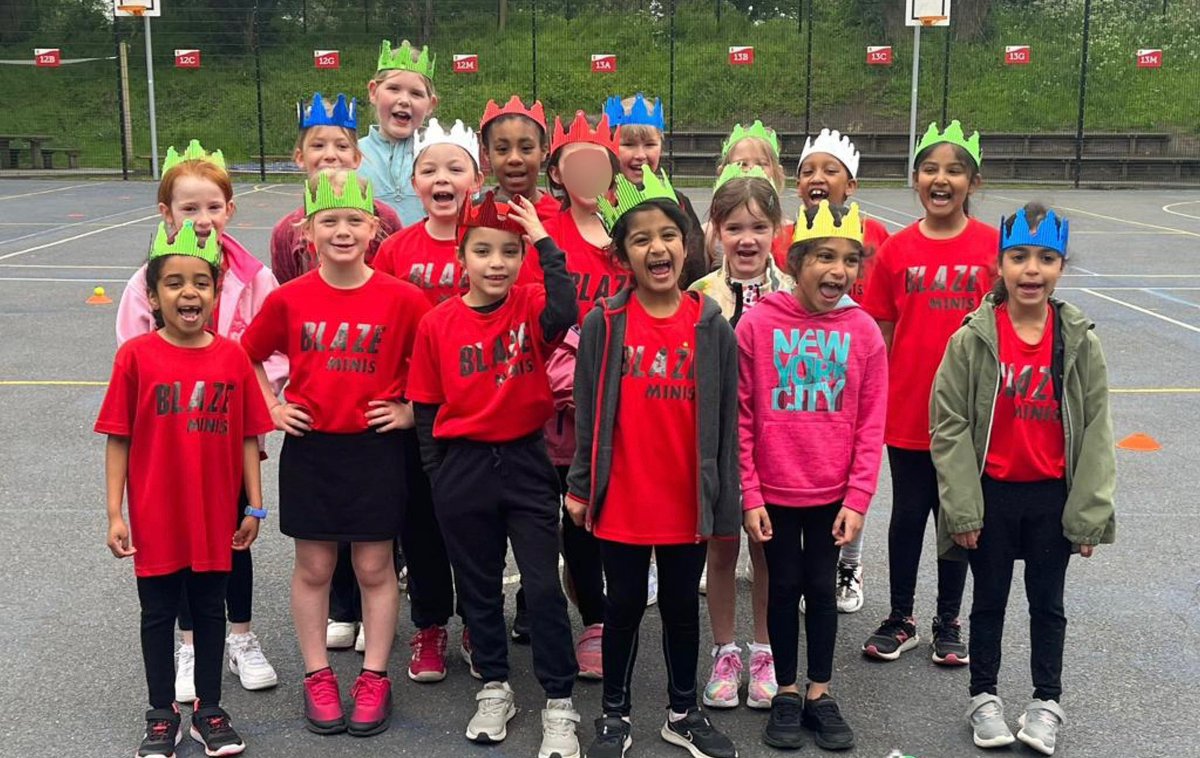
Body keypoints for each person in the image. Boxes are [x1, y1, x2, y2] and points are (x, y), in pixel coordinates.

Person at [241, 169, 430, 737]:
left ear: (374, 229)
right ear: (308, 233)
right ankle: (317, 673)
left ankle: (375, 675)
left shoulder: (404, 298)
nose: (342, 231)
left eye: (354, 220)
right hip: (313, 448)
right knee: (315, 566)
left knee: (374, 566)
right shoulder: (289, 298)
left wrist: (409, 411)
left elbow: (433, 361)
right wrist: (272, 407)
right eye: (329, 221)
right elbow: (247, 355)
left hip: (376, 449)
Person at [567, 166, 741, 758]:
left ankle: (683, 712)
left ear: (686, 245)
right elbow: (589, 410)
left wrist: (724, 500)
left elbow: (726, 420)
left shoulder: (711, 325)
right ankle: (614, 714)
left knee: (679, 607)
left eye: (667, 235)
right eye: (641, 239)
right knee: (621, 607)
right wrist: (582, 485)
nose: (657, 248)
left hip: (685, 497)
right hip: (624, 496)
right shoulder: (605, 322)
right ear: (623, 255)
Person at [930, 203, 1115, 756]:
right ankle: (983, 698)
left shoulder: (1079, 340)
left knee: (1047, 605)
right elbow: (949, 424)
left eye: (1046, 258)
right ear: (1000, 264)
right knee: (988, 602)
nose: (1031, 270)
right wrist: (963, 507)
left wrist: (1089, 512)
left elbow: (1097, 429)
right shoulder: (972, 339)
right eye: (1018, 257)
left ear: (1061, 267)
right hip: (992, 495)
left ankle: (1046, 702)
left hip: (1050, 498)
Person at [407, 192, 581, 756]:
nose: (497, 262)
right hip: (464, 467)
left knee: (543, 586)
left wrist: (545, 243)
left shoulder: (529, 303)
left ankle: (559, 700)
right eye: (482, 251)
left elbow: (566, 310)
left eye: (509, 251)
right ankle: (495, 686)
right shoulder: (437, 323)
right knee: (478, 588)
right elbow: (427, 406)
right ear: (462, 258)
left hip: (526, 461)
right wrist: (438, 475)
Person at [115, 139, 284, 701]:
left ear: (230, 209)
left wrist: (255, 395)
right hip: (170, 440)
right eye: (189, 208)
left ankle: (242, 636)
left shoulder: (253, 277)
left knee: (233, 535)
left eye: (213, 206)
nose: (203, 217)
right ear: (166, 212)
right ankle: (189, 644)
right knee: (181, 541)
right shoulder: (147, 282)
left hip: (226, 434)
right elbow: (134, 356)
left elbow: (274, 348)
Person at [99, 220, 274, 758]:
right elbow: (119, 437)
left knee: (209, 611)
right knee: (158, 614)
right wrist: (115, 513)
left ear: (216, 293)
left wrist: (255, 506)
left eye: (201, 282)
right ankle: (161, 713)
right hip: (156, 515)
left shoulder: (232, 357)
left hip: (214, 514)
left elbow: (248, 436)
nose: (188, 292)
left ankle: (209, 709)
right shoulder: (135, 357)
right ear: (152, 296)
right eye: (173, 283)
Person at [739, 201, 887, 752]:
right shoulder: (758, 324)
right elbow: (741, 415)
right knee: (782, 588)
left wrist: (858, 497)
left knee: (821, 589)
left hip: (832, 494)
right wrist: (750, 492)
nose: (838, 270)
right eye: (825, 256)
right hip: (774, 491)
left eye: (850, 260)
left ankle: (819, 693)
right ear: (796, 261)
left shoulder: (864, 332)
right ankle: (785, 690)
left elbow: (871, 423)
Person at [860, 120, 999, 665]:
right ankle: (901, 617)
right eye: (930, 169)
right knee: (908, 513)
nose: (941, 180)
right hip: (910, 407)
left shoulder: (993, 249)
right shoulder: (896, 250)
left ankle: (948, 619)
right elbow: (881, 335)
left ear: (973, 182)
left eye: (955, 171)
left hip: (968, 415)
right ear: (915, 178)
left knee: (955, 517)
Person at [521, 109, 629, 672]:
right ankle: (536, 602)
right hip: (553, 403)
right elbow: (532, 311)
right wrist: (566, 372)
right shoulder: (545, 234)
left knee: (593, 518)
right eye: (575, 163)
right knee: (547, 512)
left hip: (615, 401)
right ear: (557, 173)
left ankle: (596, 619)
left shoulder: (625, 233)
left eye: (597, 162)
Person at [689, 165, 790, 711]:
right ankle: (725, 651)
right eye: (733, 228)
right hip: (718, 449)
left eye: (758, 227)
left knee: (769, 554)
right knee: (722, 550)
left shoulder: (794, 294)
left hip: (776, 448)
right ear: (716, 231)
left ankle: (766, 650)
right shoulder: (698, 295)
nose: (746, 239)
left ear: (777, 229)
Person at [786, 128, 891, 614]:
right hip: (803, 372)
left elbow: (883, 310)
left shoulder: (876, 236)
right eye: (808, 170)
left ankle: (848, 563)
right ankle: (803, 567)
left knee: (852, 480)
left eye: (830, 170)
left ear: (850, 185)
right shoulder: (789, 237)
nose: (818, 177)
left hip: (849, 378)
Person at [270, 92, 403, 284]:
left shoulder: (386, 219)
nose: (330, 155)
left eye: (342, 146)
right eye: (318, 146)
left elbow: (395, 284)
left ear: (356, 158)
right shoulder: (286, 231)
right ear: (300, 157)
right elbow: (285, 291)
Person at [604, 93, 708, 285]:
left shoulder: (679, 203)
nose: (640, 155)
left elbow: (696, 268)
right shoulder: (600, 204)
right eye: (628, 144)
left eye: (650, 144)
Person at [359, 39, 438, 224]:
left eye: (416, 93)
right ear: (373, 92)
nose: (404, 100)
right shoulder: (351, 155)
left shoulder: (441, 155)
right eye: (393, 89)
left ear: (430, 104)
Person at [479, 95, 560, 220]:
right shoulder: (476, 215)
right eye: (502, 149)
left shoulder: (561, 216)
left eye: (526, 148)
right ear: (486, 153)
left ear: (544, 150)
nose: (514, 159)